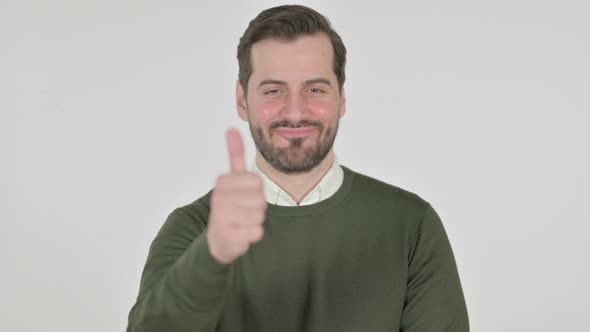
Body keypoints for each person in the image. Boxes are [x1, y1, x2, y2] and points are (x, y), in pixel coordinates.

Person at [127, 4, 469, 332]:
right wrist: (213, 254)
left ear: (342, 99)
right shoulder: (193, 229)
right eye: (274, 90)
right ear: (242, 100)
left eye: (315, 89)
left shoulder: (411, 226)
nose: (294, 112)